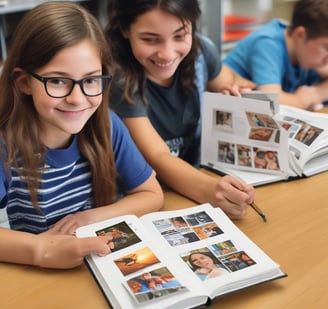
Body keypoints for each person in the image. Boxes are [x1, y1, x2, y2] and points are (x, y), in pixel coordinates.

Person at [0, 2, 163, 269]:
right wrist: (41, 250)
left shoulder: (108, 125)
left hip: (99, 264)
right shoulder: (5, 144)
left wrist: (90, 218)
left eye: (90, 80)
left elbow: (152, 194)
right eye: (57, 80)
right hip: (38, 273)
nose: (77, 99)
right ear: (24, 82)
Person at [105, 0, 255, 220]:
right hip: (143, 200)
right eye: (149, 39)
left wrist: (236, 91)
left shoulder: (201, 51)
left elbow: (232, 81)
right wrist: (210, 190)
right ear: (125, 30)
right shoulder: (117, 78)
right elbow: (157, 156)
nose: (167, 54)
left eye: (180, 35)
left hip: (191, 182)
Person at [223, 0, 328, 111]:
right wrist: (299, 100)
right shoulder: (266, 43)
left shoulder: (306, 52)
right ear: (300, 35)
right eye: (326, 48)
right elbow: (271, 100)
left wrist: (315, 94)